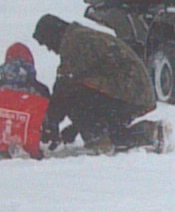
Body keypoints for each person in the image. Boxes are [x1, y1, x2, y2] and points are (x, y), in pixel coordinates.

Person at [34, 11, 163, 152]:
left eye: (47, 43)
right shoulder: (81, 37)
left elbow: (64, 87)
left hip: (130, 91)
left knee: (74, 100)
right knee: (111, 133)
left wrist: (50, 123)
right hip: (137, 93)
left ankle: (99, 142)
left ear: (53, 34)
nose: (49, 49)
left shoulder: (74, 42)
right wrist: (76, 127)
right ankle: (152, 133)